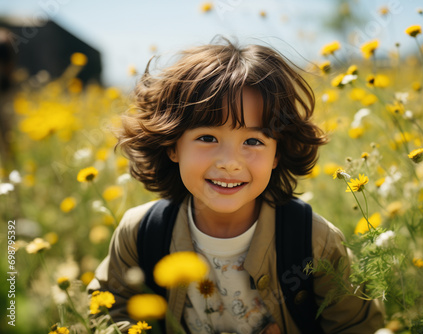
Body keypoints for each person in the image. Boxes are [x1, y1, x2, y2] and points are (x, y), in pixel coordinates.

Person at [88, 38, 384, 334]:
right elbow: (106, 311)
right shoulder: (141, 232)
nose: (230, 162)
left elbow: (357, 326)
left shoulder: (314, 240)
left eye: (253, 141)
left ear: (276, 155)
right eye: (207, 138)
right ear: (173, 146)